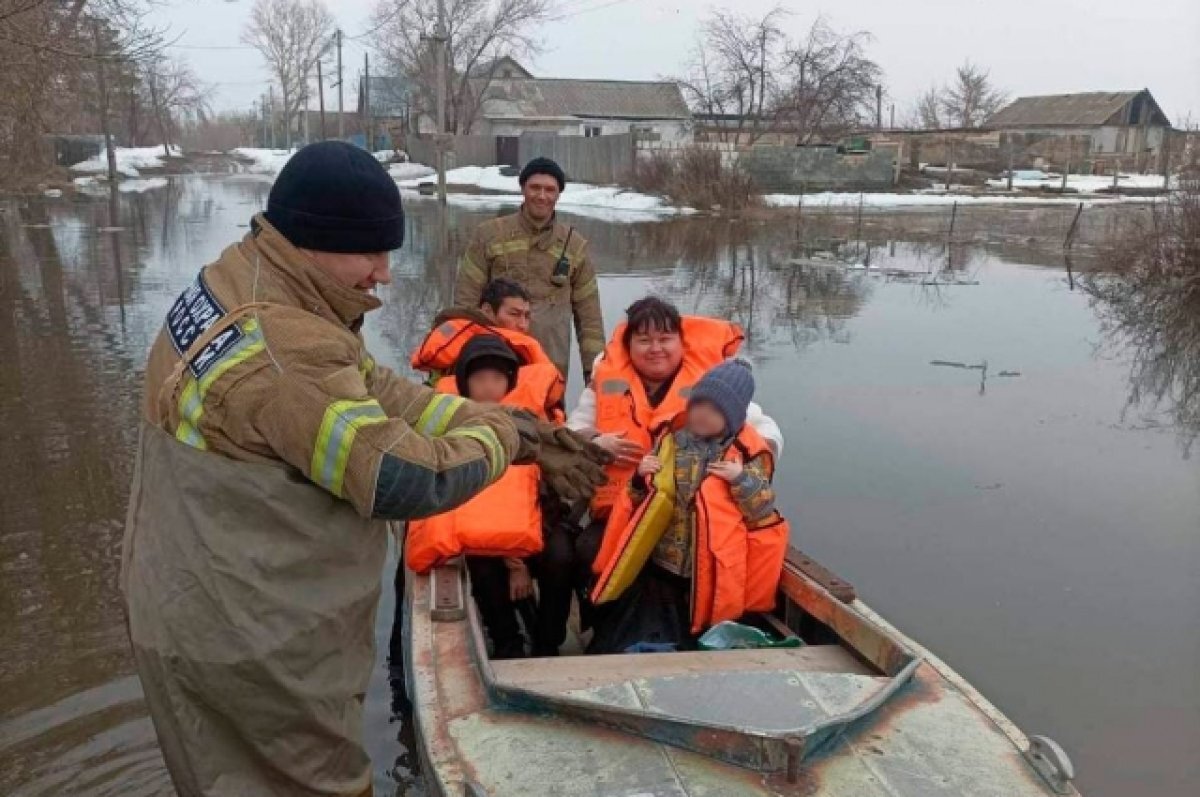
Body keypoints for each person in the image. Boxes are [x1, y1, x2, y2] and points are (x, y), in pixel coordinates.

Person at [120, 141, 608, 797]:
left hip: (198, 592)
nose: (384, 273)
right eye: (371, 253)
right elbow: (403, 478)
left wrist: (519, 427)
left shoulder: (252, 276)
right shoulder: (285, 349)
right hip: (247, 633)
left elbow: (374, 386)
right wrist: (498, 432)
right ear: (314, 239)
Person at [567, 297, 784, 576]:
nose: (656, 348)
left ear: (681, 342)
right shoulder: (607, 378)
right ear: (628, 346)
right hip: (621, 508)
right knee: (589, 552)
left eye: (665, 339)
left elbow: (766, 431)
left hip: (682, 522)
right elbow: (573, 430)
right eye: (644, 340)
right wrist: (596, 442)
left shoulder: (710, 384)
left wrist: (743, 469)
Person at [587, 360, 790, 654]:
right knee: (634, 626)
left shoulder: (745, 456)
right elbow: (638, 498)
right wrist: (640, 477)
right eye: (698, 405)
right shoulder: (671, 440)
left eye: (715, 410)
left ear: (733, 418)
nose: (702, 414)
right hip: (662, 563)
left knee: (696, 631)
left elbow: (762, 509)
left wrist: (741, 479)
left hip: (705, 571)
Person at [407, 335, 576, 657]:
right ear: (465, 382)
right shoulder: (450, 428)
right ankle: (506, 639)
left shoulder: (531, 426)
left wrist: (521, 562)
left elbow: (549, 498)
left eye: (497, 379)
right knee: (483, 563)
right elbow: (471, 509)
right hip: (479, 535)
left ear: (509, 382)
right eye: (480, 378)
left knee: (561, 558)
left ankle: (547, 640)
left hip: (531, 526)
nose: (489, 388)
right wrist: (513, 564)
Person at [453, 157, 605, 382]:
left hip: (550, 366)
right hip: (495, 363)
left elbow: (590, 319)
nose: (542, 196)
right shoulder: (488, 235)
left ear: (558, 195)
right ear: (523, 189)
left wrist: (594, 375)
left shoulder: (575, 246)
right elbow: (465, 303)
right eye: (535, 187)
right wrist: (460, 359)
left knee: (548, 417)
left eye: (550, 189)